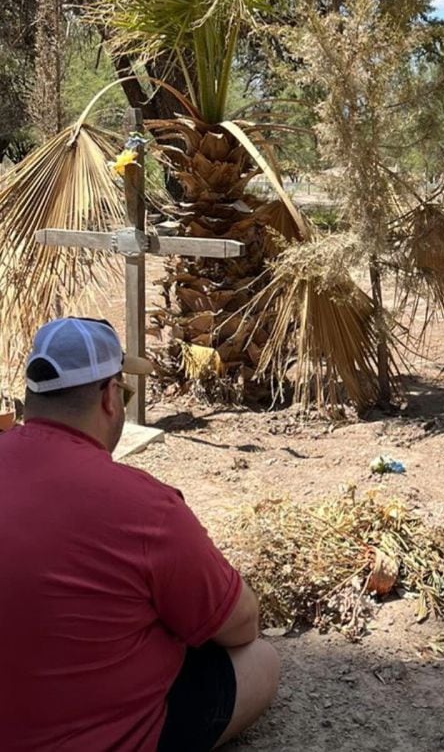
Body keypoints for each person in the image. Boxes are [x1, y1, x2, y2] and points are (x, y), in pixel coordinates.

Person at [0, 317, 280, 751]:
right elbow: (241, 623)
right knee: (261, 660)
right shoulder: (145, 507)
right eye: (125, 392)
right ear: (110, 398)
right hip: (94, 735)